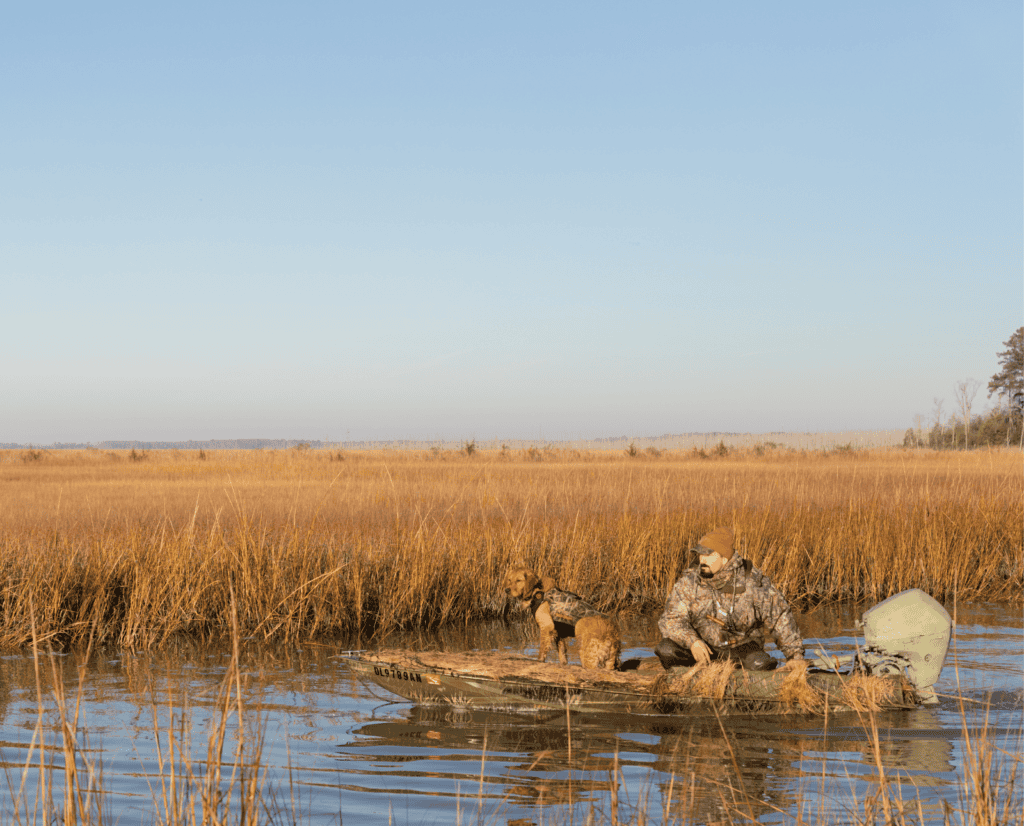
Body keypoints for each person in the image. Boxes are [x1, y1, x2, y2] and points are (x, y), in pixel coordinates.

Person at [655, 527, 805, 671]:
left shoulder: (753, 583)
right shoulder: (689, 583)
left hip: (740, 650)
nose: (702, 560)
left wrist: (795, 656)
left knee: (760, 664)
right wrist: (693, 641)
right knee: (666, 650)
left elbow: (779, 617)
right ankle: (689, 679)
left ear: (724, 558)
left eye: (708, 555)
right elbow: (671, 619)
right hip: (702, 650)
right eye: (700, 555)